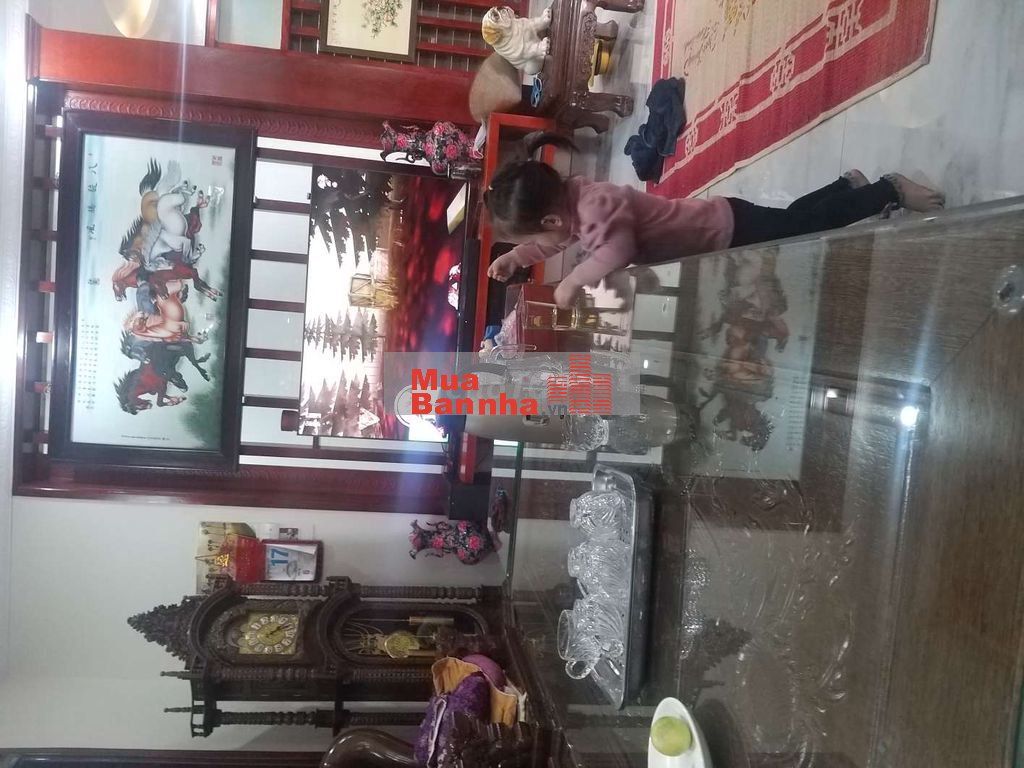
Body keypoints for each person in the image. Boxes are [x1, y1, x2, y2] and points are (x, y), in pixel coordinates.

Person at [485, 134, 945, 308]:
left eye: (536, 233)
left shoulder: (596, 206)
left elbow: (617, 251)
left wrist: (572, 283)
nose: (547, 243)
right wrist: (519, 256)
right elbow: (555, 241)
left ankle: (888, 189)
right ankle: (847, 186)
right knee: (794, 222)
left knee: (806, 230)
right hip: (719, 230)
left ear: (550, 216)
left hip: (723, 228)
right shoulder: (572, 208)